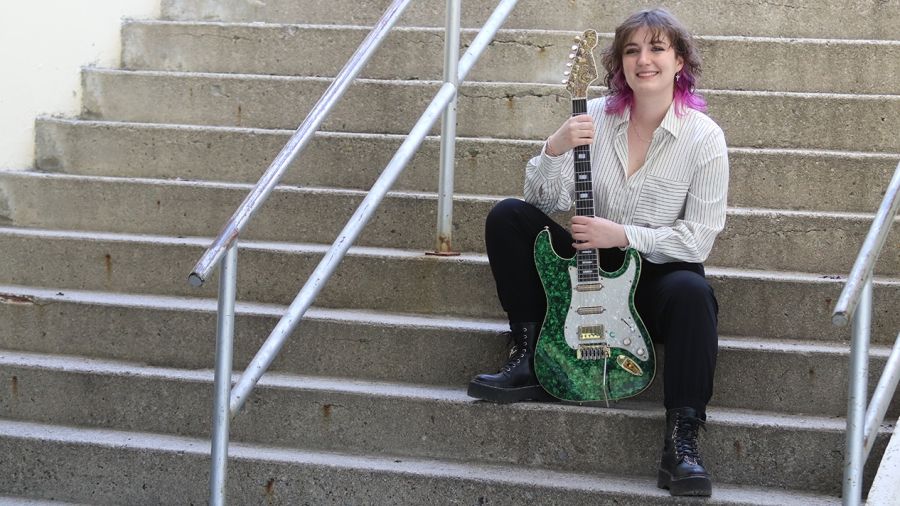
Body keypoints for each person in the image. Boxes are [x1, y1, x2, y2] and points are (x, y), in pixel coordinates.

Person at [466, 8, 728, 497]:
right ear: (618, 63)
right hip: (589, 273)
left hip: (654, 278)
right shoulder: (596, 119)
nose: (643, 60)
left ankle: (682, 442)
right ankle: (528, 356)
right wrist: (554, 147)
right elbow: (546, 203)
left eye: (656, 48)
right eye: (632, 50)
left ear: (679, 61)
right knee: (507, 216)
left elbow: (698, 239)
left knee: (695, 292)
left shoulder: (703, 138)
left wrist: (623, 234)